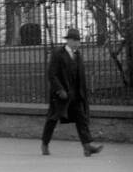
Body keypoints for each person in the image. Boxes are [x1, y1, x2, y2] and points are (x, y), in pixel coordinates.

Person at [42, 28, 103, 157]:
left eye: (78, 41)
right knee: (53, 119)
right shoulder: (58, 54)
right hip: (60, 95)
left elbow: (80, 76)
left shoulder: (77, 55)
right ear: (68, 40)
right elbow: (52, 74)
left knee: (81, 118)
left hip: (75, 94)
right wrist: (59, 90)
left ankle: (87, 146)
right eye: (75, 40)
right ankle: (45, 143)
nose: (77, 43)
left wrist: (82, 94)